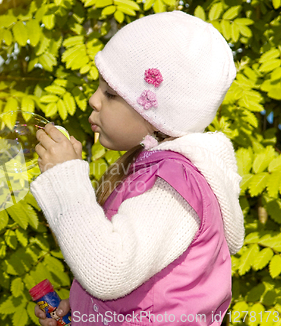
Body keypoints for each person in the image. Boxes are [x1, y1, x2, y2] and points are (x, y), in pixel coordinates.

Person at [31, 10, 245, 326]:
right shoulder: (151, 172)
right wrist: (85, 312)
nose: (93, 100)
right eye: (98, 86)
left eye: (111, 93)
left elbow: (109, 270)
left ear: (156, 114)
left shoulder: (175, 185)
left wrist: (65, 178)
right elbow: (140, 289)